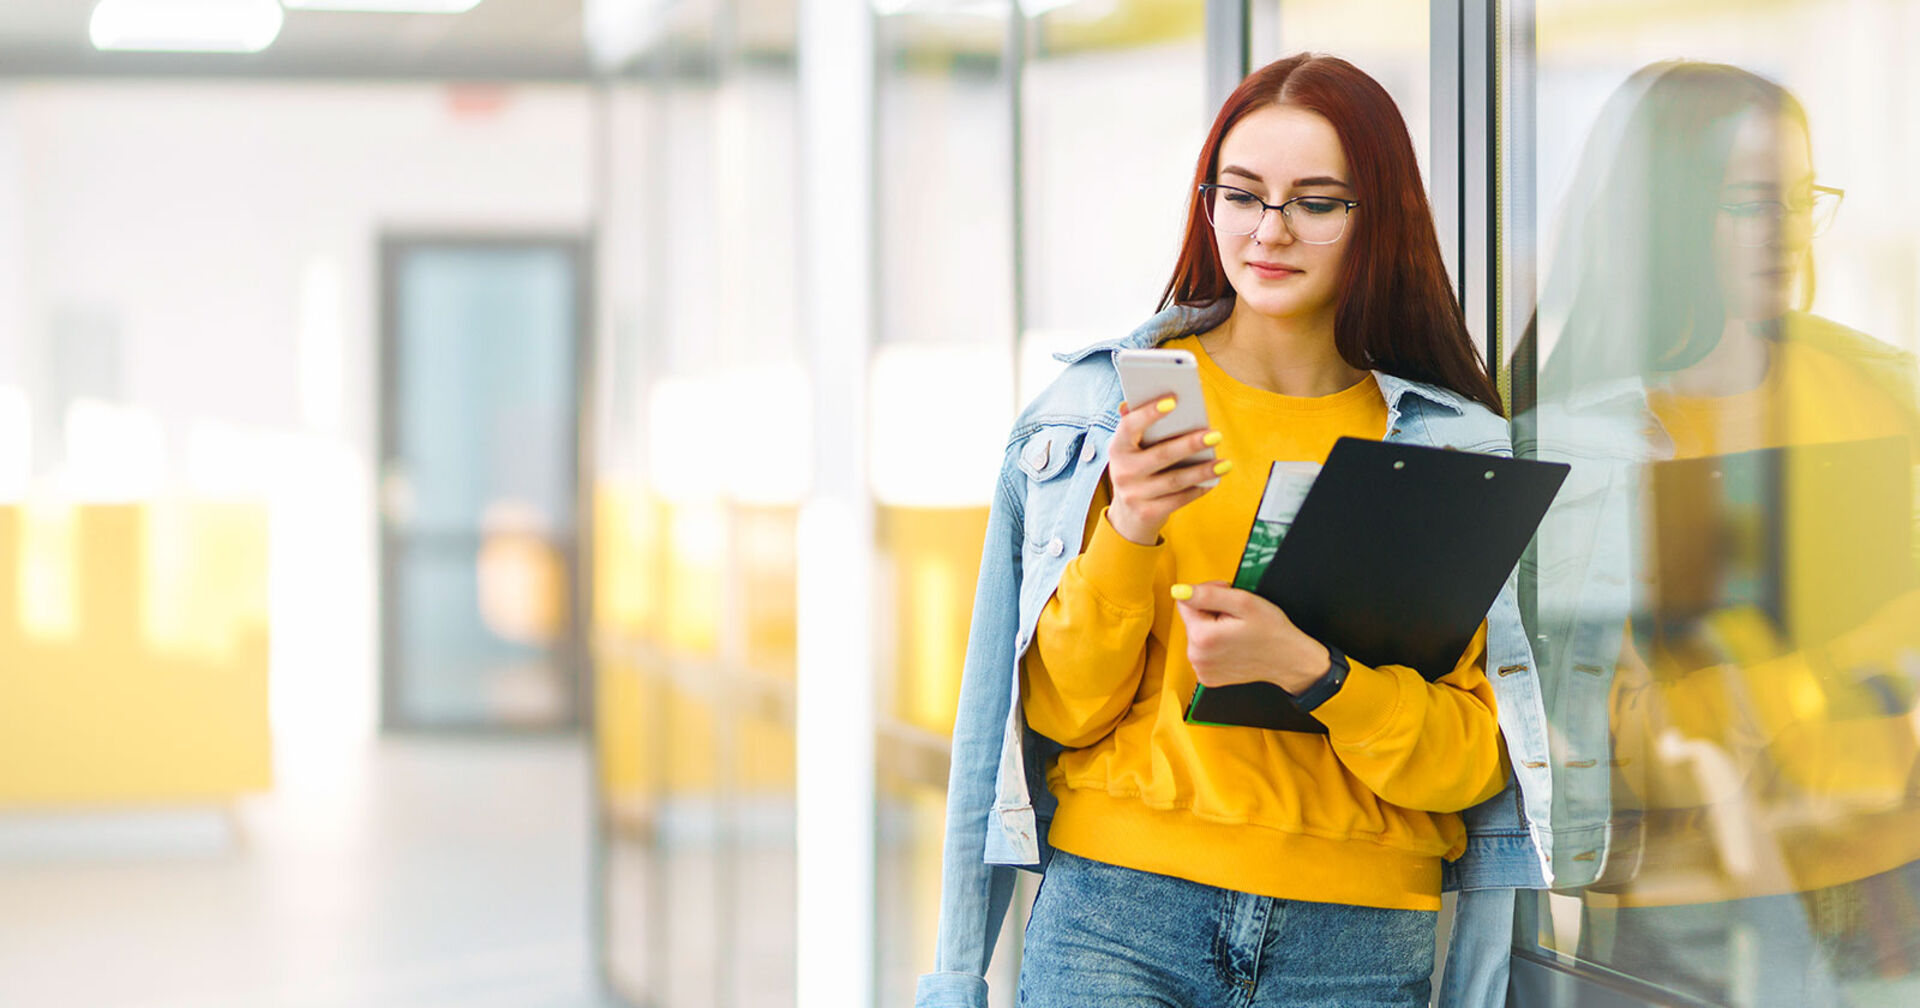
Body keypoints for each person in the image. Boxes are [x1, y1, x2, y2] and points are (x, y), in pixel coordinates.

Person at [915, 53, 1564, 1008]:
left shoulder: (1443, 445)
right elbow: (1056, 713)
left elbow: (1467, 761)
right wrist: (1131, 527)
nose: (1270, 230)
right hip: (1118, 918)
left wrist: (1310, 671)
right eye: (1243, 194)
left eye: (1316, 202)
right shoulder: (1106, 413)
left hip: (1356, 939)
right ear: (1207, 200)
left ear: (1376, 218)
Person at [1512, 61, 1920, 1006]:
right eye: (1750, 203)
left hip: (1894, 878)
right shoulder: (1577, 450)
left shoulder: (1874, 395)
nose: (1785, 234)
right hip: (1697, 915)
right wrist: (1833, 679)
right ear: (1666, 213)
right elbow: (1602, 737)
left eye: (1800, 198)